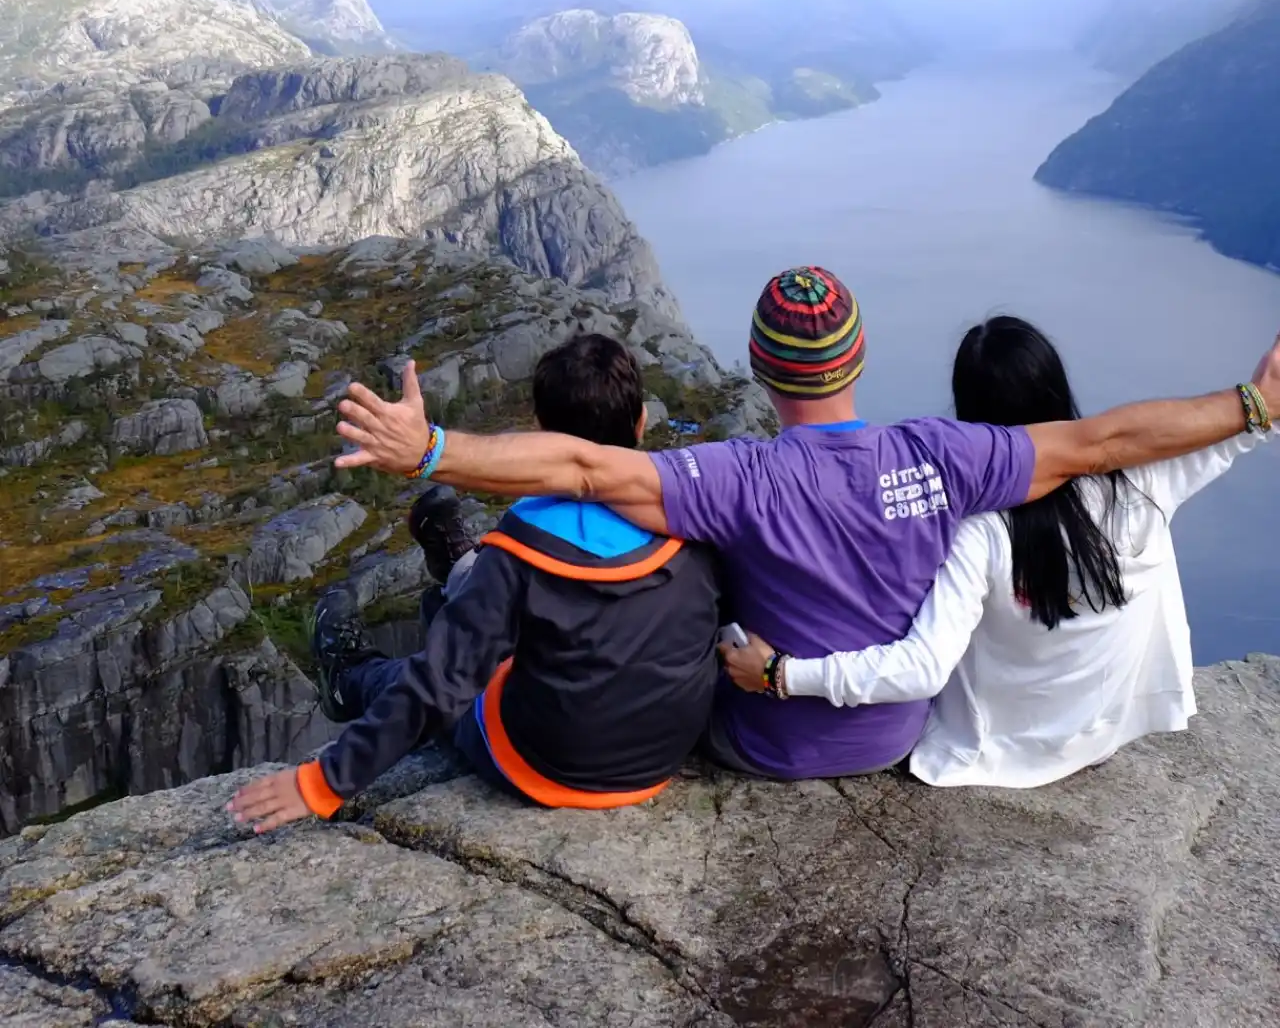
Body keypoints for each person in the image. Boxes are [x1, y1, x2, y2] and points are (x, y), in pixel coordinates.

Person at [325, 265, 1279, 785]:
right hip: (895, 742)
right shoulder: (945, 455)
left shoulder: (737, 475)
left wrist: (435, 448)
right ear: (857, 357)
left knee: (653, 552)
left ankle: (449, 585)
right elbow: (1110, 441)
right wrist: (1254, 406)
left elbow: (582, 465)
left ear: (759, 367)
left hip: (761, 743)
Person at [721, 315, 1274, 787]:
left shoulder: (978, 532)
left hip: (996, 756)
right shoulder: (1141, 484)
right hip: (1105, 732)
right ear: (1058, 392)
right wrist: (1260, 398)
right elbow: (1239, 429)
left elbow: (923, 669)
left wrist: (778, 673)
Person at [229, 333, 722, 833]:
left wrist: (322, 783)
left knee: (425, 670)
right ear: (640, 424)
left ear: (539, 433)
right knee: (501, 618)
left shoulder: (524, 549)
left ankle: (350, 676)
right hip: (663, 753)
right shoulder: (697, 521)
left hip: (547, 763)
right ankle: (457, 569)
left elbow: (439, 686)